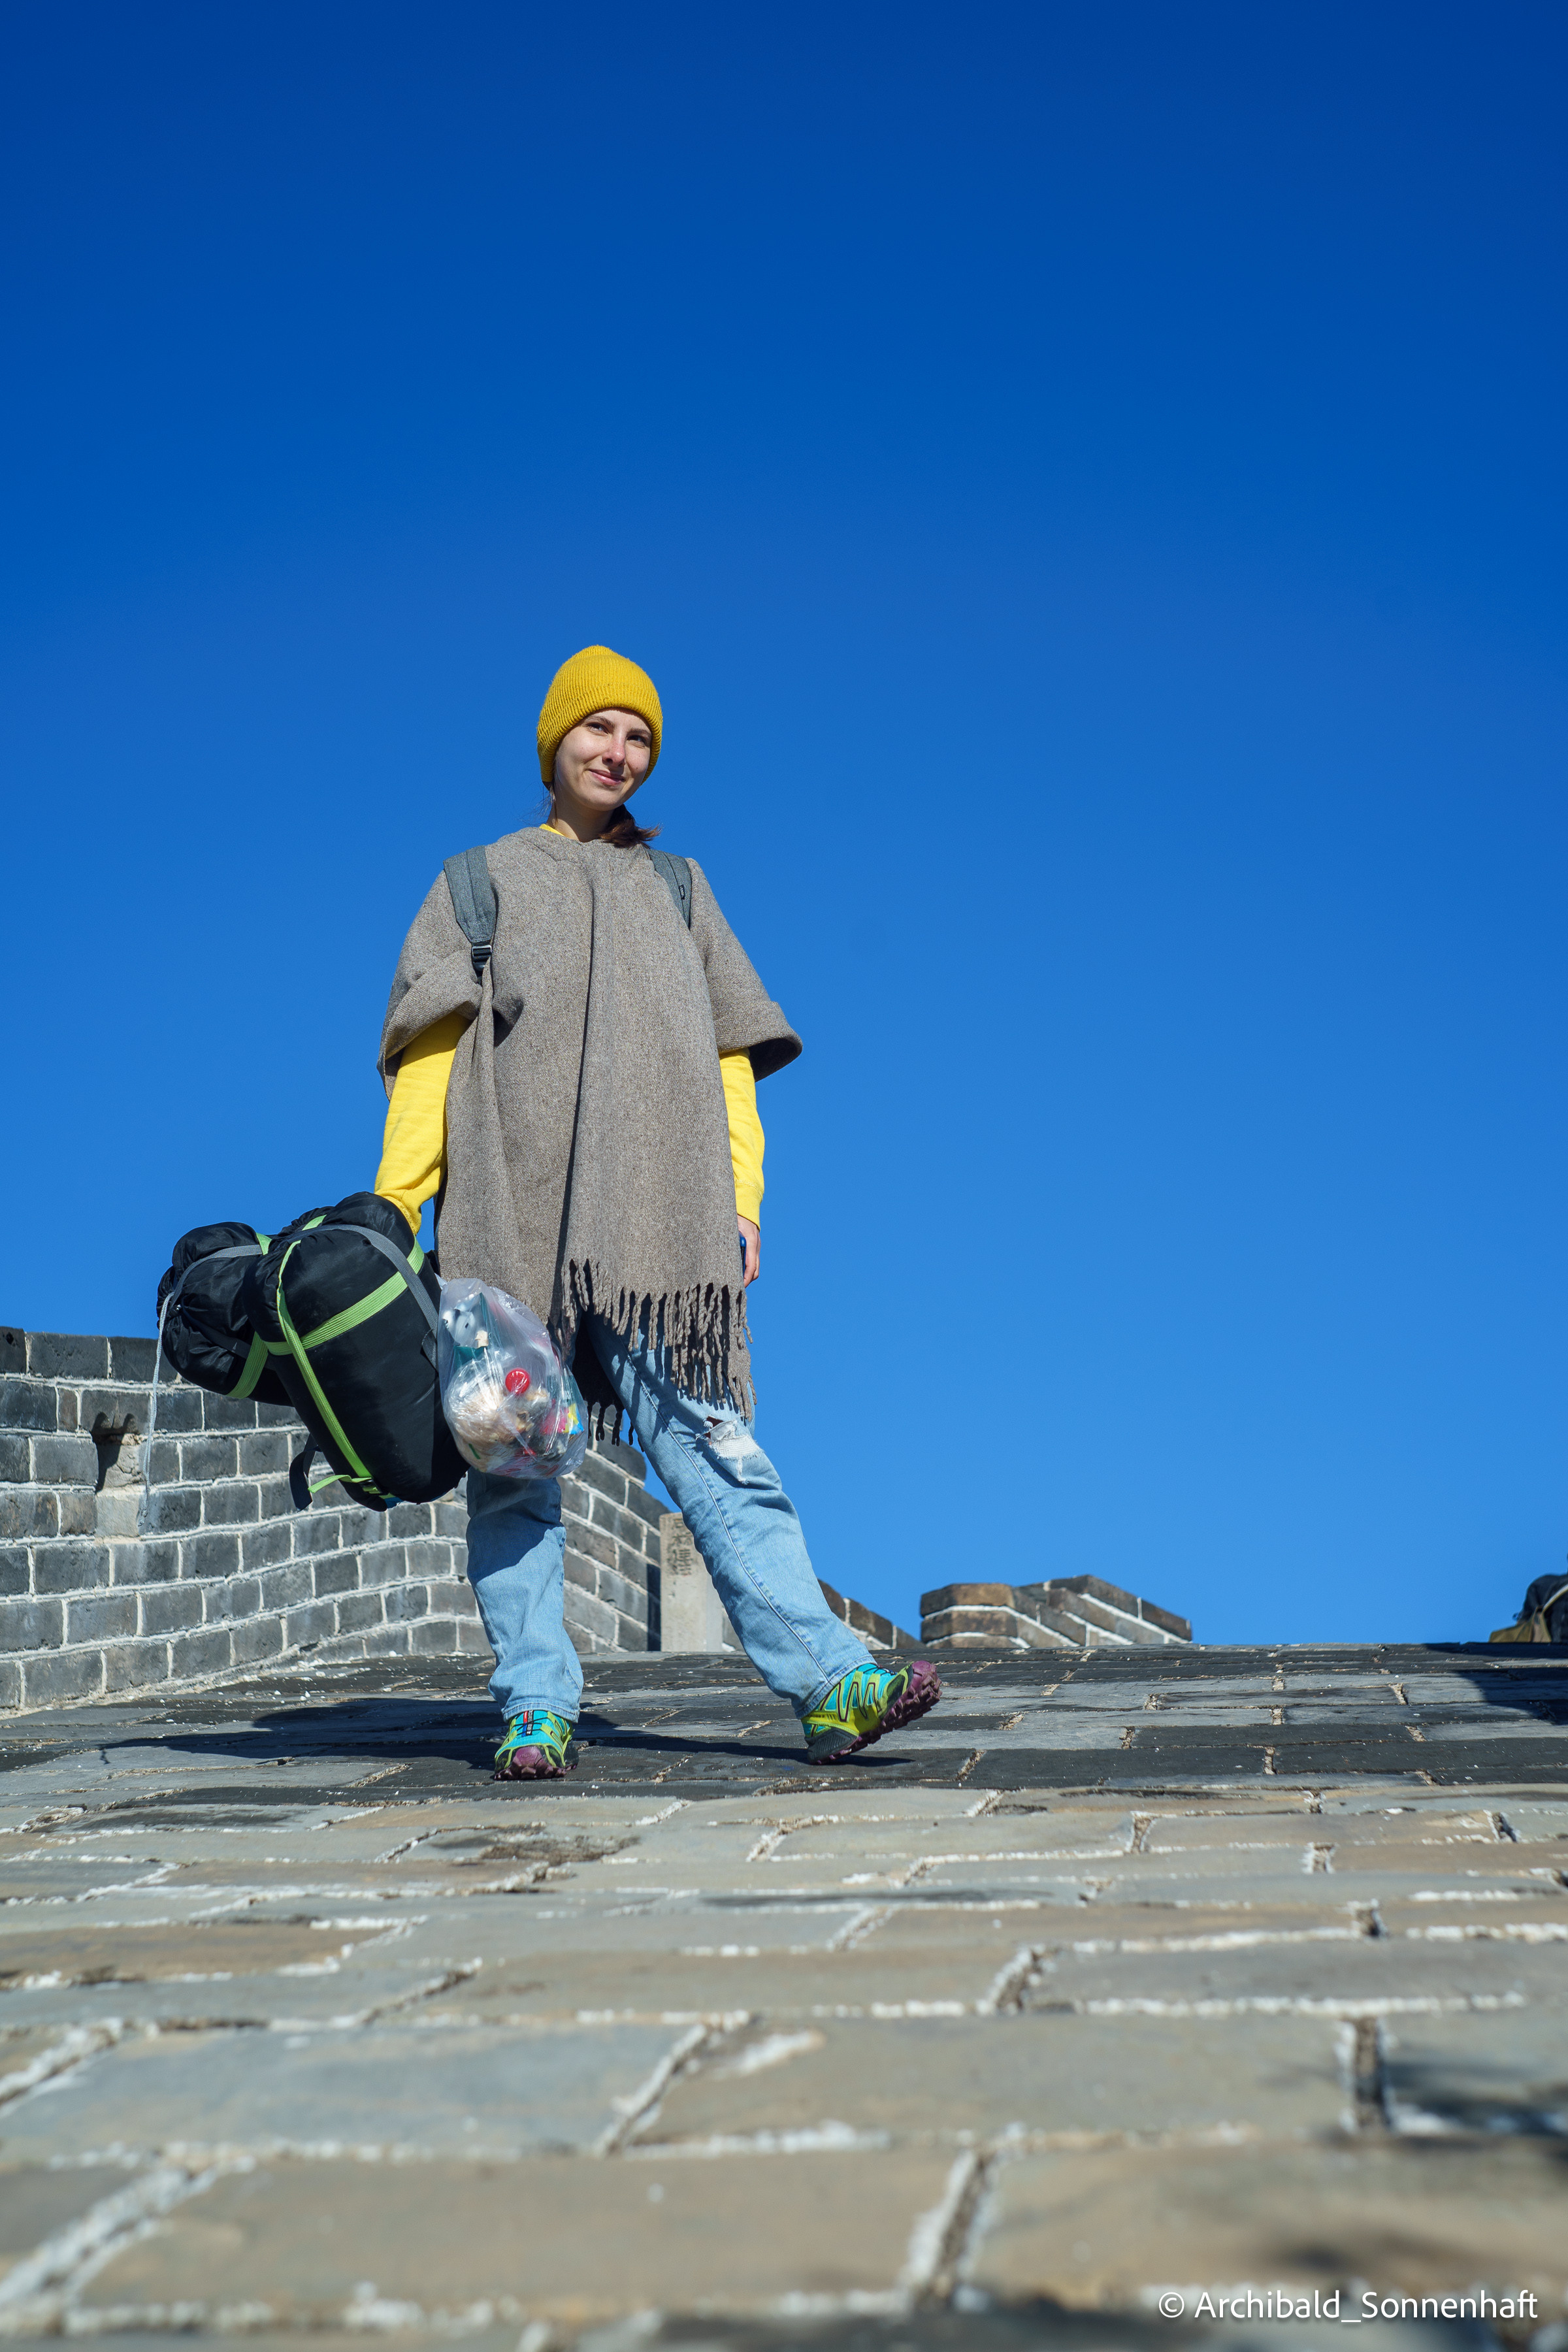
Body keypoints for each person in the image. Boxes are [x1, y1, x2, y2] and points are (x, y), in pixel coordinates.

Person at [374, 644, 942, 1778]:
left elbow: (730, 1061)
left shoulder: (679, 888)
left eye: (639, 737)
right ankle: (536, 1706)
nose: (618, 752)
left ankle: (830, 1682)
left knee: (713, 1443)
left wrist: (741, 1201)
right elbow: (432, 1056)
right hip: (508, 1213)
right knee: (515, 1469)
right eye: (599, 728)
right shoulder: (478, 882)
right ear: (556, 740)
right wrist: (396, 1204)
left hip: (655, 1217)